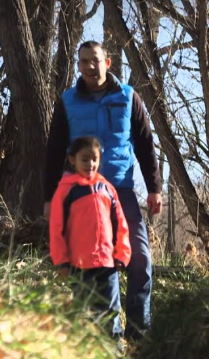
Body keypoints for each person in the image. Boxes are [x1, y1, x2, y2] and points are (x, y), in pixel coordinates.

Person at [44, 40, 162, 341]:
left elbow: (146, 142)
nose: (89, 67)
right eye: (83, 62)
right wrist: (48, 197)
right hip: (81, 195)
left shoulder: (127, 96)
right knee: (87, 267)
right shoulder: (68, 100)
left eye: (94, 60)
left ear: (107, 62)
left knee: (140, 261)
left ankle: (138, 334)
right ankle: (98, 336)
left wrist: (154, 188)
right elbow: (55, 150)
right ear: (78, 66)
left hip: (120, 191)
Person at [49, 136, 131, 338]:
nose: (90, 164)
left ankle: (114, 351)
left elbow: (120, 224)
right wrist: (62, 262)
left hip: (107, 264)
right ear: (72, 160)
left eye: (94, 159)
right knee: (84, 312)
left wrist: (122, 254)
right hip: (79, 266)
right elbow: (56, 228)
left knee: (111, 312)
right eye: (85, 159)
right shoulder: (66, 190)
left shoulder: (107, 188)